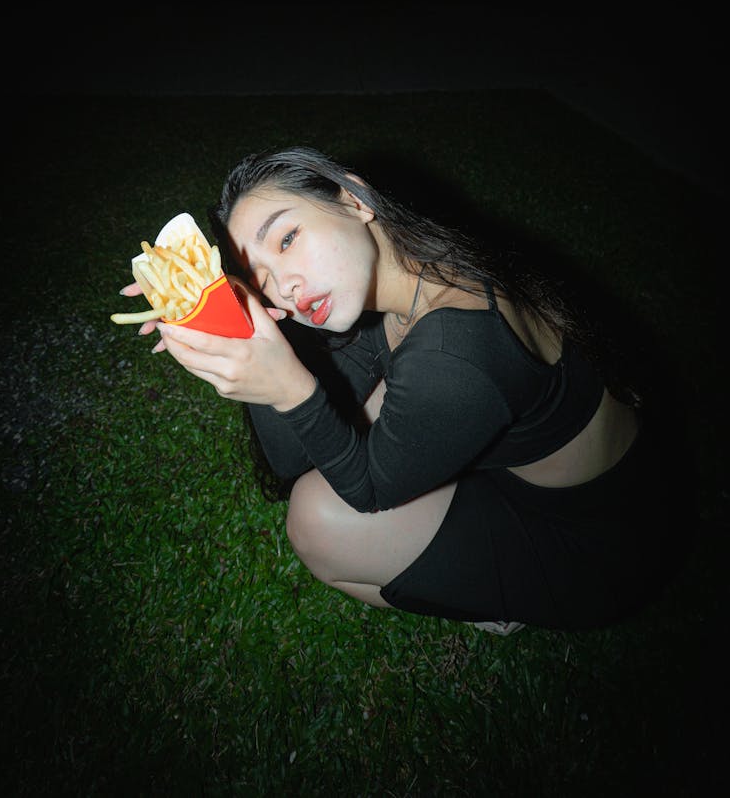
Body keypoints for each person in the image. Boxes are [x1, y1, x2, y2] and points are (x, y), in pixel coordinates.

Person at [123, 146, 691, 633]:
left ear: (355, 199)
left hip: (596, 553)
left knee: (316, 521)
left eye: (288, 238)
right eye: (261, 276)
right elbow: (291, 455)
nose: (285, 287)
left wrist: (288, 389)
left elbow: (366, 492)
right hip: (539, 485)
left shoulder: (460, 341)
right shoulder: (407, 271)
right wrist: (246, 327)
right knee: (347, 414)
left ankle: (500, 605)